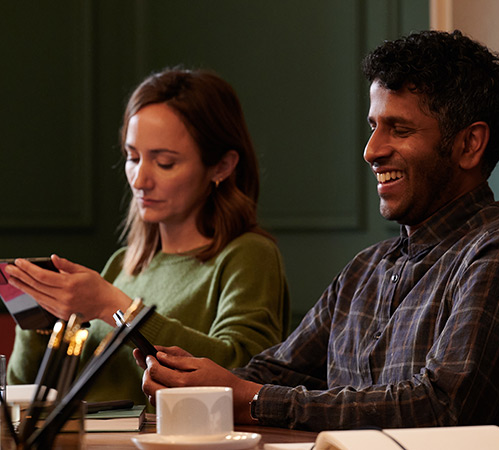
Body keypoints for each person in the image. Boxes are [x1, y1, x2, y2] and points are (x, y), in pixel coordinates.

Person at [138, 30, 499, 431]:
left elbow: (443, 407)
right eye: (373, 126)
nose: (371, 150)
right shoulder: (366, 267)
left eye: (399, 128)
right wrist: (189, 380)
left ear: (469, 144)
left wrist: (250, 399)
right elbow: (276, 370)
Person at [6, 69, 290, 406]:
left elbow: (245, 373)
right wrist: (39, 321)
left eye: (165, 163)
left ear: (221, 167)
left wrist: (116, 306)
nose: (140, 180)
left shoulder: (248, 255)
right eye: (132, 157)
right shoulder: (123, 264)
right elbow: (34, 393)